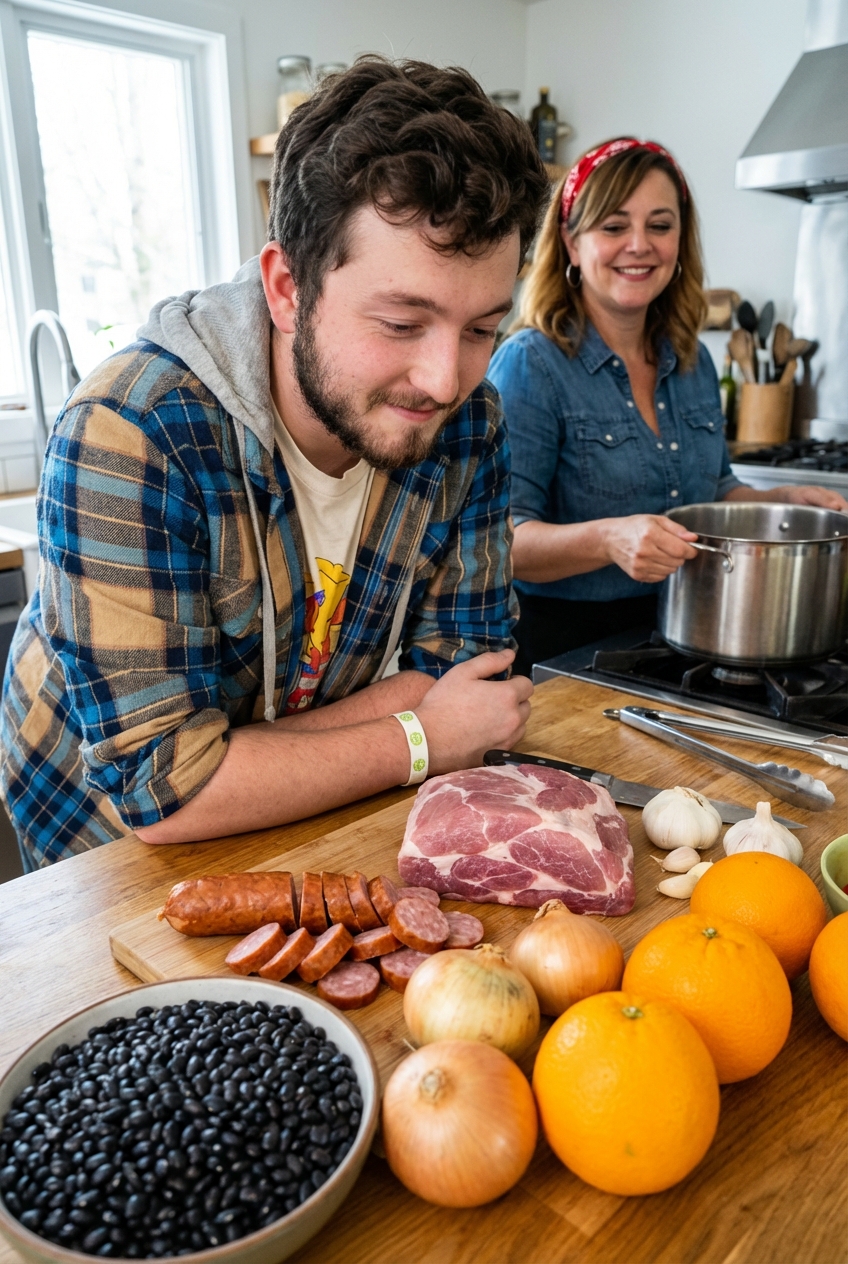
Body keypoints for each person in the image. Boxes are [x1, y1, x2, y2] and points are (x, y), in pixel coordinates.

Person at [0, 58, 550, 869]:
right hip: (98, 848)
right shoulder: (131, 430)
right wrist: (418, 734)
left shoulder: (471, 421)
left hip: (317, 819)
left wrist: (241, 760)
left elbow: (467, 669)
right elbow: (161, 785)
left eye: (480, 329)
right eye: (402, 323)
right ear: (288, 288)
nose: (445, 380)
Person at [487, 137, 847, 676]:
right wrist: (610, 539)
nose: (639, 245)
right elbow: (499, 542)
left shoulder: (693, 359)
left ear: (681, 240)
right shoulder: (531, 364)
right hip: (557, 652)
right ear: (570, 240)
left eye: (660, 225)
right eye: (613, 226)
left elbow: (716, 488)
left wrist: (780, 498)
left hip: (677, 635)